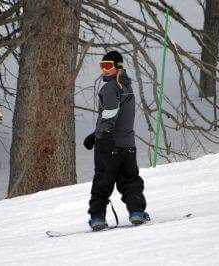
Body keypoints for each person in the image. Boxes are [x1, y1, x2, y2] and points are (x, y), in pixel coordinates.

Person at [83, 50, 149, 231]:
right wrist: (94, 133)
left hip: (109, 143)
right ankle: (136, 212)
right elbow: (118, 116)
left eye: (108, 66)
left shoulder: (110, 88)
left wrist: (100, 135)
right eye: (102, 66)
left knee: (102, 181)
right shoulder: (127, 86)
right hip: (127, 145)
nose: (104, 70)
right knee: (130, 180)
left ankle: (97, 217)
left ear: (118, 67)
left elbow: (110, 114)